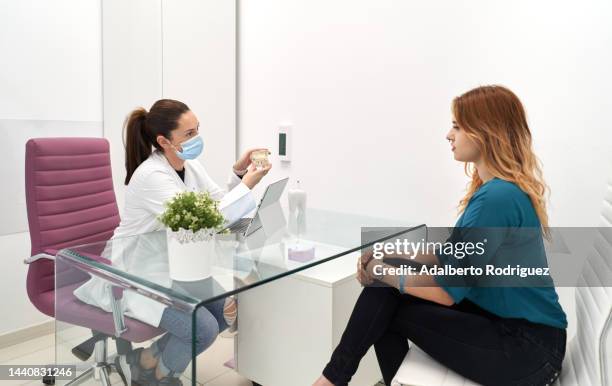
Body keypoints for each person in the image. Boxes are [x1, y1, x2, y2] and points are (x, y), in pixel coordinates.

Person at [313, 85, 567, 386]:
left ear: (485, 132)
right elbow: (450, 256)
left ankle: (331, 380)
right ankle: (333, 379)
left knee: (386, 305)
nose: (449, 135)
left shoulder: (497, 198)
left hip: (527, 350)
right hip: (514, 330)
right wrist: (387, 258)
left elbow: (448, 292)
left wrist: (380, 271)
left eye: (457, 126)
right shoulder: (495, 191)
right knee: (387, 289)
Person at [74, 99, 271, 385]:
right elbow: (206, 221)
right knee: (202, 329)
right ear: (164, 141)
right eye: (189, 134)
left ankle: (144, 360)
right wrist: (247, 185)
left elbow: (218, 204)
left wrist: (238, 175)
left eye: (197, 130)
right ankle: (159, 375)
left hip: (177, 266)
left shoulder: (191, 165)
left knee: (223, 315)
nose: (197, 139)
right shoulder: (151, 176)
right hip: (136, 274)